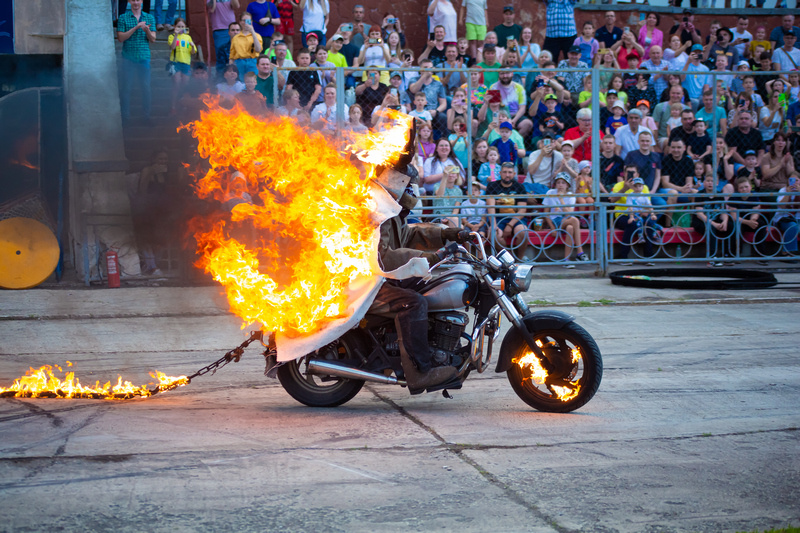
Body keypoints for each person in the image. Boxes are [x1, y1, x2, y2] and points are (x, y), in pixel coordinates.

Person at [371, 163, 462, 392]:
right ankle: (419, 372)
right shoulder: (377, 213)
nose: (414, 191)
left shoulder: (394, 211)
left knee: (429, 286)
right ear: (398, 185)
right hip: (367, 286)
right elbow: (383, 258)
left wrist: (448, 234)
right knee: (413, 303)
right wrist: (428, 257)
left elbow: (410, 234)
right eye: (410, 186)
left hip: (382, 279)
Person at [117, 0, 156, 125]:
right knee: (126, 88)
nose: (135, 2)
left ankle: (146, 117)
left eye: (138, 0)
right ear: (129, 1)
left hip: (144, 57)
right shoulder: (123, 17)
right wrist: (136, 27)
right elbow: (120, 38)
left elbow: (153, 39)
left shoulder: (149, 17)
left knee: (146, 88)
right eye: (133, 0)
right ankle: (125, 118)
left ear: (142, 1)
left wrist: (147, 30)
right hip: (128, 58)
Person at [542, 173, 589, 267]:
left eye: (563, 183)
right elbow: (546, 214)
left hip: (566, 220)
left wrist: (561, 199)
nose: (560, 185)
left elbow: (568, 214)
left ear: (567, 185)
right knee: (575, 221)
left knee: (570, 228)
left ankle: (566, 260)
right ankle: (580, 252)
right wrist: (552, 228)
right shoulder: (550, 193)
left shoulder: (571, 195)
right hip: (554, 221)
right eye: (558, 182)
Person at [486, 162, 530, 258]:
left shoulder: (519, 187)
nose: (507, 175)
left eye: (510, 172)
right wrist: (493, 225)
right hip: (497, 218)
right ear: (500, 173)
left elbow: (522, 210)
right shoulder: (492, 186)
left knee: (523, 232)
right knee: (493, 234)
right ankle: (510, 257)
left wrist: (510, 225)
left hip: (515, 218)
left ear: (514, 174)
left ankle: (521, 257)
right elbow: (490, 207)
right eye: (505, 172)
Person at [691, 173, 733, 266]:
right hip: (701, 221)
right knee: (711, 228)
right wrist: (714, 224)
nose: (710, 183)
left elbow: (723, 212)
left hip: (715, 220)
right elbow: (699, 214)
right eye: (708, 181)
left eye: (713, 181)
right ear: (704, 183)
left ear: (717, 183)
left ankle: (728, 255)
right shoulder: (700, 194)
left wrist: (725, 222)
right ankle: (712, 257)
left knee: (730, 225)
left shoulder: (720, 195)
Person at [409, 58, 448, 135]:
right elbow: (413, 90)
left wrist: (436, 111)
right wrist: (424, 76)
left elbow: (443, 103)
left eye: (429, 68)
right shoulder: (413, 80)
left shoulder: (438, 84)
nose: (427, 70)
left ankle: (442, 141)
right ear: (420, 69)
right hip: (418, 112)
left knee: (443, 117)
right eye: (425, 68)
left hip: (433, 112)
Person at [167, 19, 196, 115]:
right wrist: (176, 35)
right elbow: (173, 47)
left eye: (182, 26)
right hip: (175, 63)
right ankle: (173, 106)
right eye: (178, 26)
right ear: (174, 27)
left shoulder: (188, 37)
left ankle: (183, 104)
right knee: (177, 82)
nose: (180, 28)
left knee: (185, 84)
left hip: (186, 63)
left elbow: (193, 52)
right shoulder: (171, 36)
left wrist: (192, 46)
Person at [208, 0, 240, 79]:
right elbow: (211, 8)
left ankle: (237, 77)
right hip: (219, 29)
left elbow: (237, 6)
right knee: (221, 55)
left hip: (233, 28)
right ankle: (221, 79)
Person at [230, 12, 263, 80]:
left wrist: (252, 32)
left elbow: (258, 49)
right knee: (240, 82)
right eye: (244, 20)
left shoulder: (257, 36)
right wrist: (231, 69)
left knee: (253, 82)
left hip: (252, 61)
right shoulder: (235, 38)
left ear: (251, 22)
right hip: (239, 62)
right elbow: (232, 56)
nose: (245, 23)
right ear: (240, 22)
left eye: (248, 21)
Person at [774, 176, 800, 258]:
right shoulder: (783, 190)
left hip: (798, 218)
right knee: (793, 227)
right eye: (792, 180)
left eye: (797, 180)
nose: (794, 182)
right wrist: (788, 194)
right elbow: (781, 206)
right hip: (784, 219)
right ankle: (787, 253)